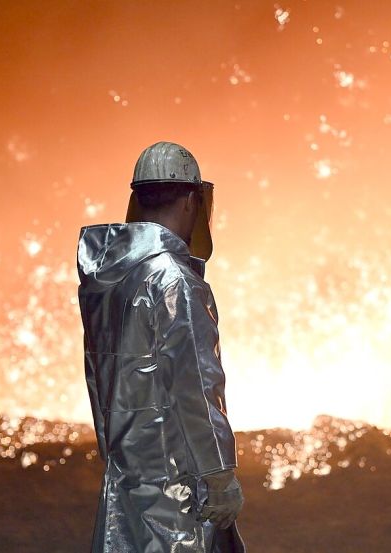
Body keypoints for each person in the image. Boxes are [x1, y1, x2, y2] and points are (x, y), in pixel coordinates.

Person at [76, 141, 246, 553]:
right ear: (192, 200)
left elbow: (99, 379)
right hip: (179, 488)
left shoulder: (109, 281)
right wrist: (219, 475)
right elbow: (196, 388)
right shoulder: (175, 282)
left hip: (127, 475)